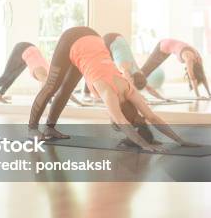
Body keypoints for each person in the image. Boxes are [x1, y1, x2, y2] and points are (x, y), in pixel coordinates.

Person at [27, 27, 197, 153]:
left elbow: (151, 117)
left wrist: (180, 141)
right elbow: (126, 125)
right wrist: (146, 145)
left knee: (65, 90)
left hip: (93, 39)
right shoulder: (109, 94)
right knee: (51, 86)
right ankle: (32, 128)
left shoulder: (129, 89)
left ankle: (49, 127)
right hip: (71, 40)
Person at [0, 42, 85, 106]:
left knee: (13, 77)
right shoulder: (46, 78)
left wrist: (49, 101)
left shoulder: (47, 77)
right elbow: (63, 90)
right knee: (6, 75)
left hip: (31, 52)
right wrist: (79, 103)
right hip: (22, 48)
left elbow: (46, 92)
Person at [140, 38, 211, 99]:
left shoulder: (198, 58)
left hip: (169, 44)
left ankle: (135, 86)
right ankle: (134, 87)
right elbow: (192, 77)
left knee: (147, 71)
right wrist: (198, 96)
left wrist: (209, 94)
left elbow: (203, 76)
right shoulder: (189, 58)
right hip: (163, 45)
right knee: (146, 69)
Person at [102, 33, 169, 101]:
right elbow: (132, 88)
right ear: (132, 79)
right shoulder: (125, 69)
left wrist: (162, 99)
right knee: (105, 66)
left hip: (119, 38)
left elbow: (150, 89)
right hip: (109, 40)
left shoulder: (139, 73)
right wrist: (140, 96)